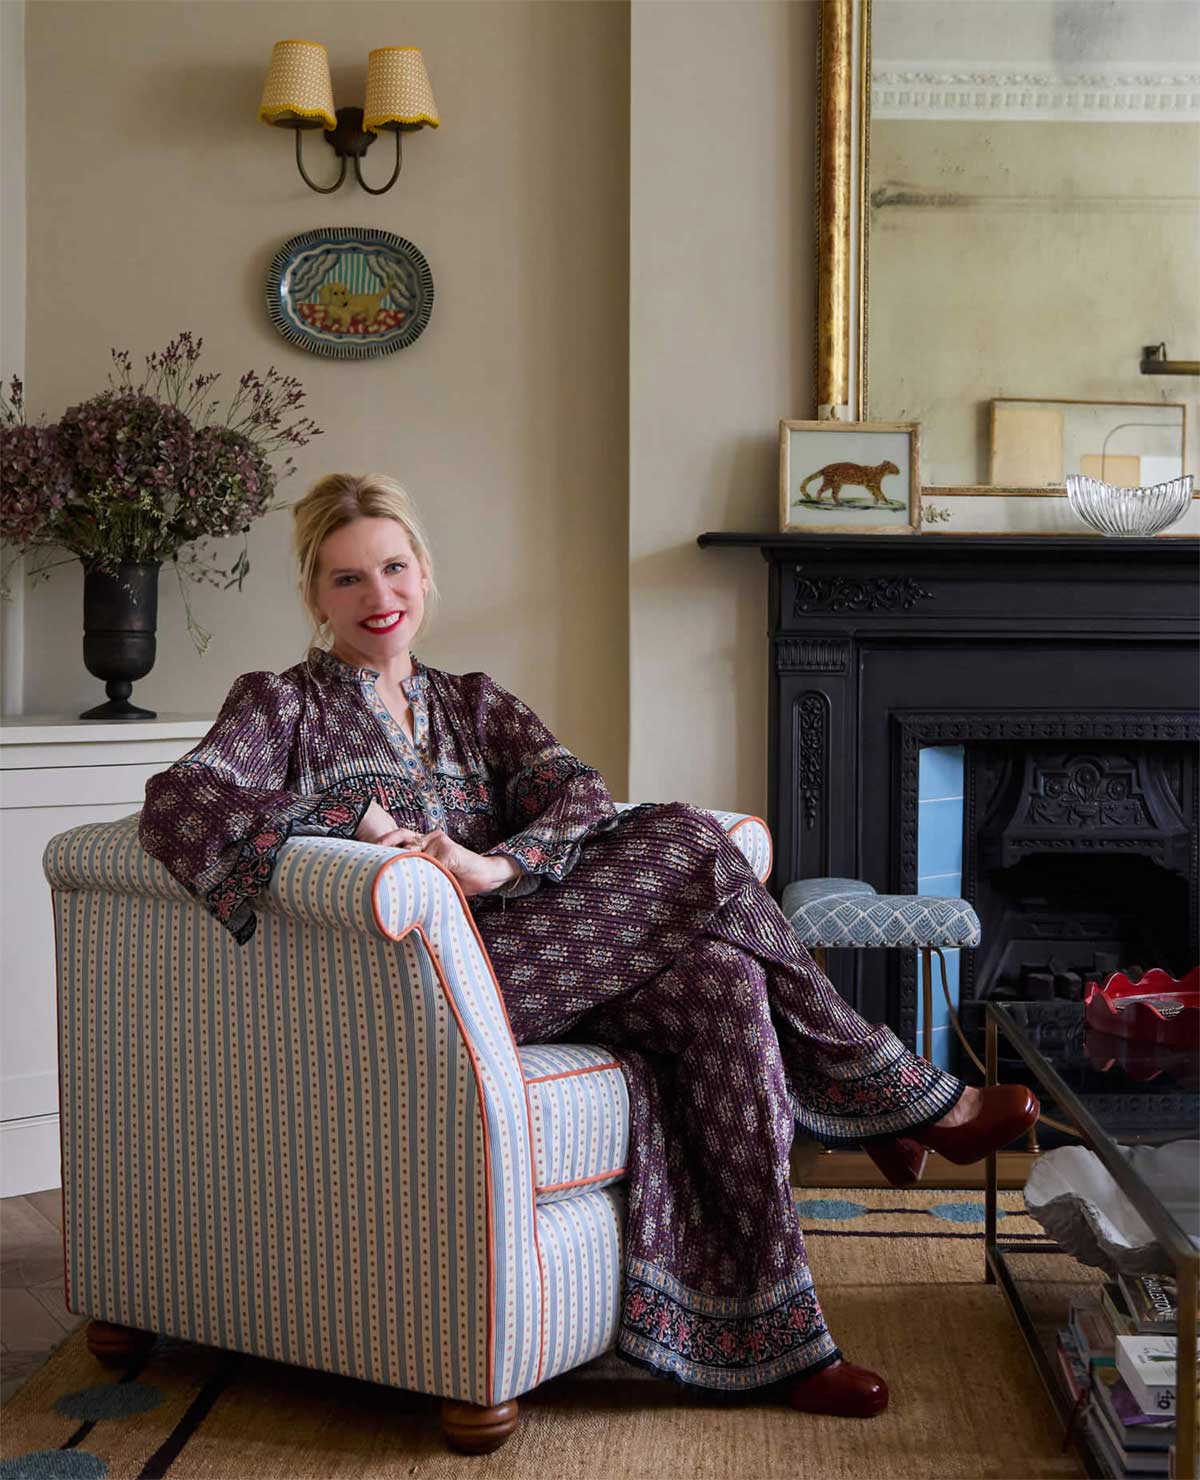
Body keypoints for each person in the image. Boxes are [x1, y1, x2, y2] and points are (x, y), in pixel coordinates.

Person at [139, 472, 1039, 1418]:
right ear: (314, 596)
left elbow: (579, 794)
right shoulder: (282, 704)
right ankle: (885, 1094)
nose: (379, 596)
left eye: (394, 568)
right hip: (428, 992)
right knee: (687, 836)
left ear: (426, 572)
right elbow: (181, 801)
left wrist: (496, 866)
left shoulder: (474, 703)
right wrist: (351, 819)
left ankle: (778, 1341)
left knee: (723, 981)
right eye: (347, 578)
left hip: (543, 952)